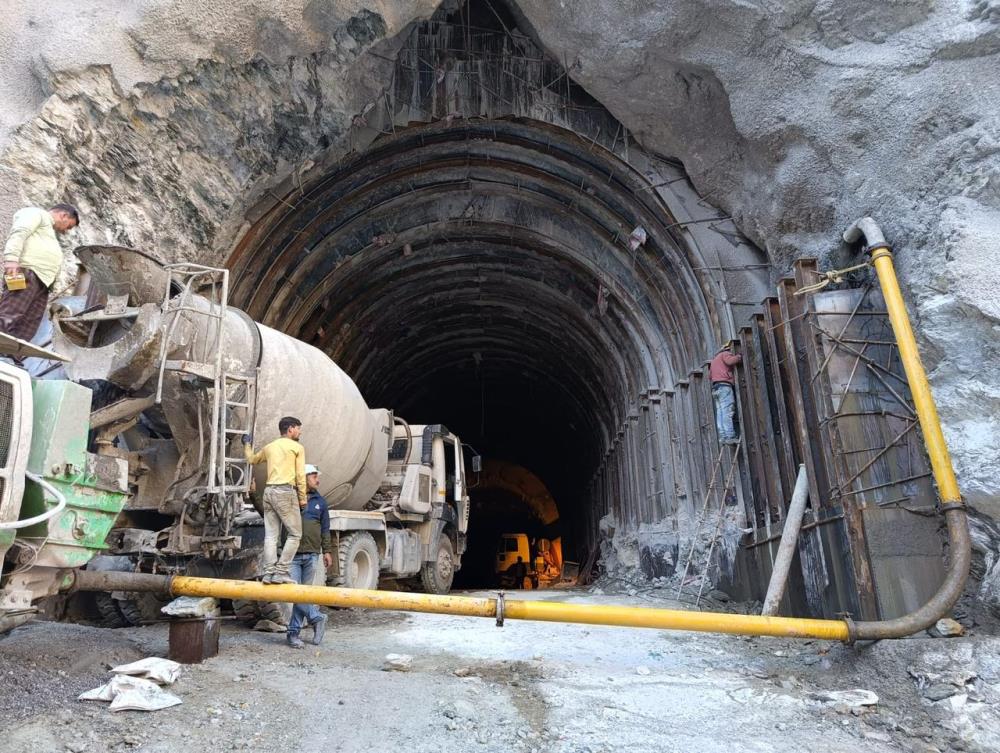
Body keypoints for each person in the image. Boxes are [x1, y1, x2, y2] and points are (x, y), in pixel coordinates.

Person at [1, 204, 80, 343]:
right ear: (64, 216)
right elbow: (20, 232)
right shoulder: (36, 213)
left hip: (42, 283)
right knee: (10, 313)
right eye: (68, 226)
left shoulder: (48, 230)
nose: (66, 231)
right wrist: (11, 260)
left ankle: (10, 355)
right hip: (26, 273)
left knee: (29, 324)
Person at [243, 417, 306, 584]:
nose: (300, 432)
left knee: (271, 536)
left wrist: (247, 445)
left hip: (269, 491)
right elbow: (300, 476)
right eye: (298, 428)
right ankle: (281, 571)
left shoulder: (270, 447)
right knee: (295, 534)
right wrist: (303, 499)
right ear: (291, 429)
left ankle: (269, 573)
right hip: (285, 492)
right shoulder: (297, 448)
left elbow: (252, 460)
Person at [286, 464, 331, 649]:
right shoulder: (290, 499)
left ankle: (293, 634)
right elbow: (267, 511)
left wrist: (327, 551)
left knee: (301, 595)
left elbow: (325, 529)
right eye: (314, 477)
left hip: (312, 554)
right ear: (303, 478)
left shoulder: (321, 502)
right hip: (293, 555)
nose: (317, 480)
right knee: (296, 593)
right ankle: (317, 618)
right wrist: (253, 495)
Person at [710, 343, 742, 445]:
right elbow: (730, 361)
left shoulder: (714, 360)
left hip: (716, 388)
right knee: (727, 411)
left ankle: (723, 436)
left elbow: (709, 376)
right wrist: (739, 356)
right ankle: (730, 436)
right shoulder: (725, 354)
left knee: (720, 413)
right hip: (724, 387)